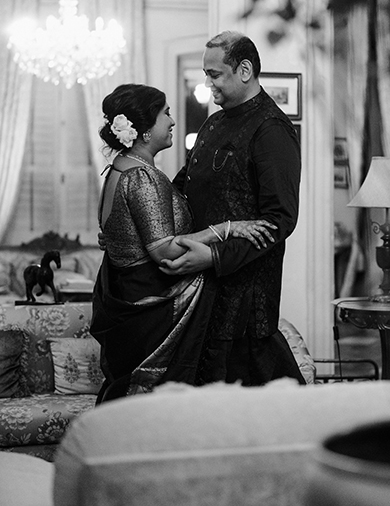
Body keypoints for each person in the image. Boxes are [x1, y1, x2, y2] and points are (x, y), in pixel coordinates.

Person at [90, 83, 276, 402]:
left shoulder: (119, 167)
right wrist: (228, 229)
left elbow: (120, 231)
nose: (173, 120)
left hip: (126, 293)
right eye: (166, 113)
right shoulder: (142, 177)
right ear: (145, 130)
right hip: (150, 307)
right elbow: (165, 251)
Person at [160, 31, 305, 386]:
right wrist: (136, 219)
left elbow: (279, 220)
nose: (207, 83)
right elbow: (182, 186)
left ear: (244, 70)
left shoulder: (271, 129)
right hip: (201, 291)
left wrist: (213, 257)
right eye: (206, 74)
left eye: (214, 74)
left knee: (250, 403)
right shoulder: (213, 123)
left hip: (246, 301)